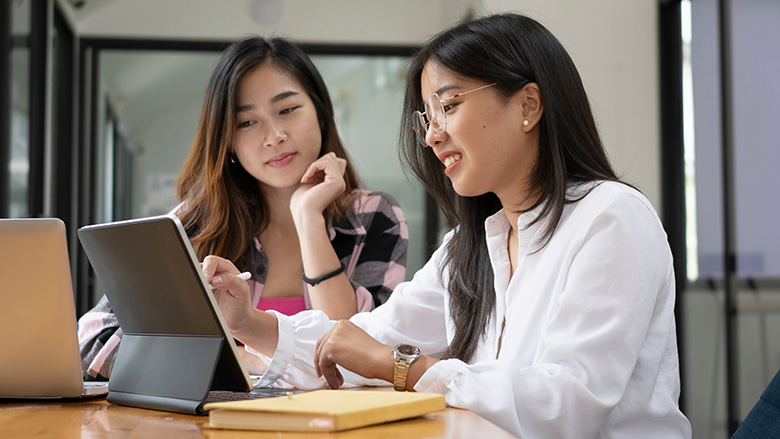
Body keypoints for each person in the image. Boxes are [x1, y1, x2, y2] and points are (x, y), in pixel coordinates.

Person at [215, 13, 693, 438]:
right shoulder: (471, 244)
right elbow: (364, 339)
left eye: (449, 105)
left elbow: (563, 407)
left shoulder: (611, 217)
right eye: (427, 115)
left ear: (528, 105)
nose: (431, 134)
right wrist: (247, 322)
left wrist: (403, 368)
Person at [78, 37, 408, 381]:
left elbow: (361, 354)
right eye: (246, 123)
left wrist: (308, 217)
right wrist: (242, 361)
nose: (274, 135)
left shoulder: (375, 217)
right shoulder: (196, 223)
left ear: (322, 114)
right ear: (228, 141)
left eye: (287, 110)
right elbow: (91, 342)